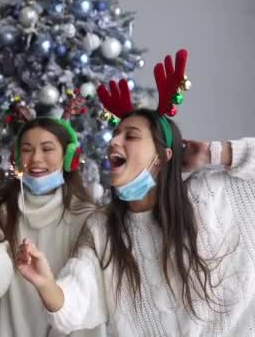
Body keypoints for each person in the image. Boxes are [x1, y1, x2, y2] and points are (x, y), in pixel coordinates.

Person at [17, 49, 255, 336]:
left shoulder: (212, 193)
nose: (114, 141)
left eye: (130, 135)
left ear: (162, 156)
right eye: (115, 134)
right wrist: (46, 284)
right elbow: (75, 307)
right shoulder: (102, 228)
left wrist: (216, 152)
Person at [0, 117, 105, 337]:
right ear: (17, 158)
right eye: (27, 150)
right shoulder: (5, 210)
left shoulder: (86, 216)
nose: (36, 159)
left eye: (47, 149)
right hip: (19, 326)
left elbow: (92, 287)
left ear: (69, 158)